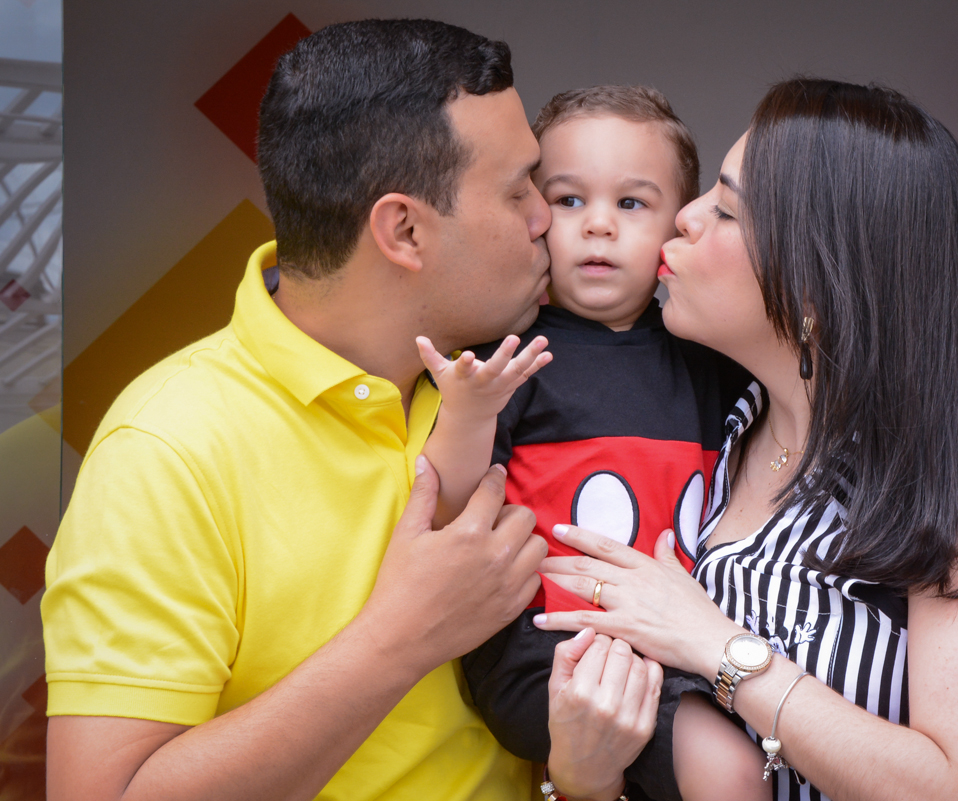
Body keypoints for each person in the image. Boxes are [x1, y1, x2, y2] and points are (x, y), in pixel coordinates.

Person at [39, 19, 580, 801]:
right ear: (404, 229)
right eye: (518, 188)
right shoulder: (167, 447)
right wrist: (400, 638)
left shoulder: (524, 380)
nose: (545, 217)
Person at [532, 78, 958, 801]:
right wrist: (582, 774)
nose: (683, 218)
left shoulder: (956, 489)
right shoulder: (718, 436)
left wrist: (715, 643)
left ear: (817, 283)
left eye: (726, 209)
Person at [416, 86, 765, 801]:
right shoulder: (510, 355)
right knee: (729, 771)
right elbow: (447, 507)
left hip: (679, 649)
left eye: (631, 203)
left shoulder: (713, 363)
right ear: (534, 217)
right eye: (569, 200)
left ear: (680, 224)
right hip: (547, 655)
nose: (598, 225)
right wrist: (469, 412)